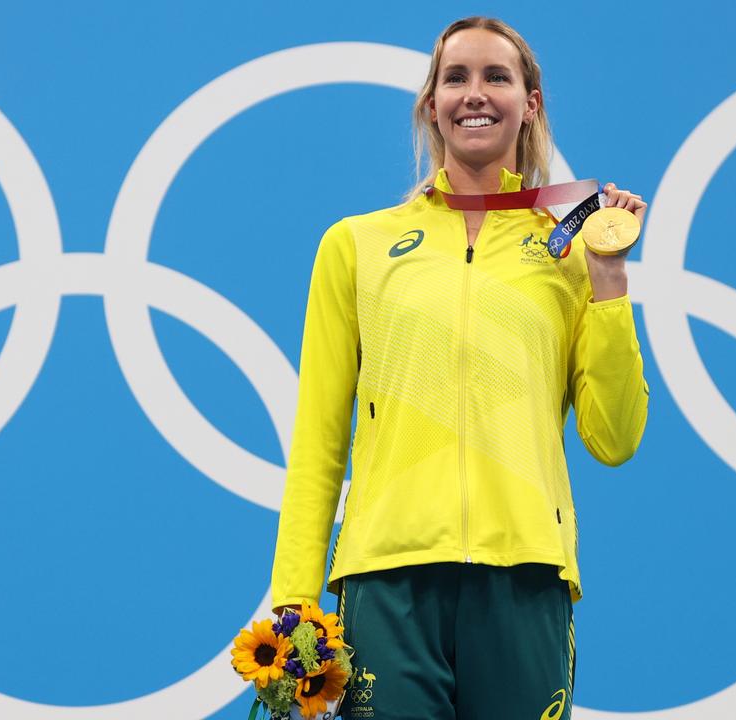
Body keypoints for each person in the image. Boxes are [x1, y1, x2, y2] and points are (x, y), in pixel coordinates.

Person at [270, 16, 649, 720]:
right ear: (430, 103)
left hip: (526, 580)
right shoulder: (356, 246)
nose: (476, 94)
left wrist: (609, 281)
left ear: (529, 103)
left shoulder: (567, 253)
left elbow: (615, 438)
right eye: (457, 77)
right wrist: (294, 601)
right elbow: (319, 441)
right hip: (388, 583)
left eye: (497, 77)